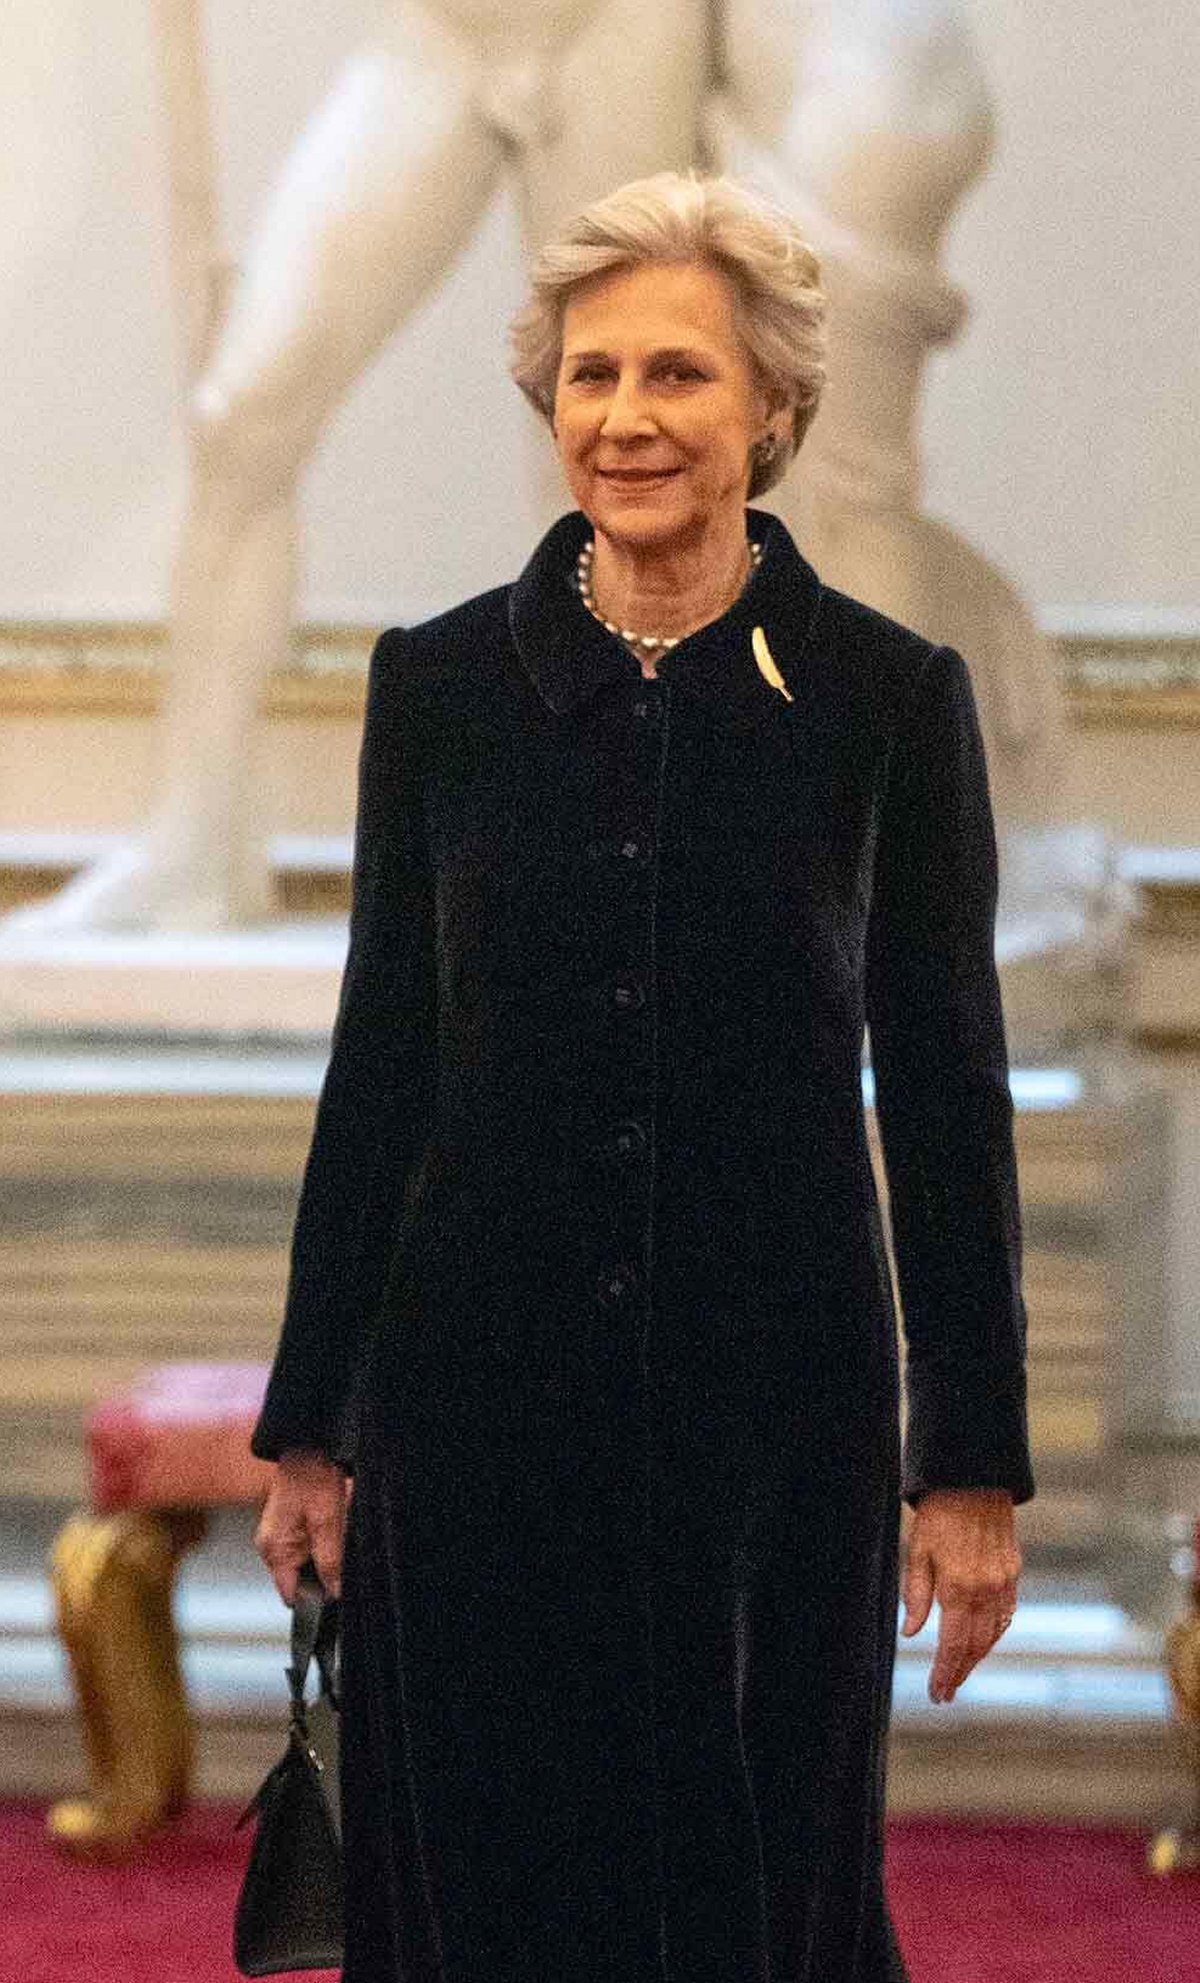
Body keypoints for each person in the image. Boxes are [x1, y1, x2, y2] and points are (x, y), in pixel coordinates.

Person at [252, 170, 1034, 1983]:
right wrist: (314, 1421)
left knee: (755, 1885)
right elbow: (383, 1062)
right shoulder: (439, 688)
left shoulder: (884, 699)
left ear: (772, 407)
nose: (627, 418)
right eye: (591, 376)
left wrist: (969, 1465)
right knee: (490, 1889)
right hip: (475, 1413)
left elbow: (945, 1084)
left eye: (679, 373)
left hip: (776, 1422)